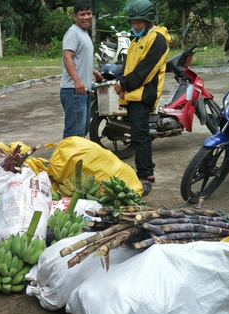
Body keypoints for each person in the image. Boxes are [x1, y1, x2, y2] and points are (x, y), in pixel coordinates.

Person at [113, 0, 170, 196]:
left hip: (143, 95)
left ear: (149, 20)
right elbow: (127, 66)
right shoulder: (137, 40)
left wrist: (124, 84)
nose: (135, 26)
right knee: (138, 135)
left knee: (140, 136)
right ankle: (148, 171)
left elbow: (145, 71)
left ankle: (145, 176)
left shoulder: (158, 40)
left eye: (139, 22)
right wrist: (120, 82)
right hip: (133, 94)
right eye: (132, 22)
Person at [60, 0, 104, 139]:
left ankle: (77, 160)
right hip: (73, 90)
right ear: (75, 16)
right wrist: (77, 80)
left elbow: (80, 59)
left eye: (89, 13)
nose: (86, 17)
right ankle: (67, 160)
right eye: (82, 14)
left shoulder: (84, 33)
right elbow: (67, 57)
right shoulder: (73, 33)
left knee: (82, 130)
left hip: (82, 89)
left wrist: (94, 72)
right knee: (74, 134)